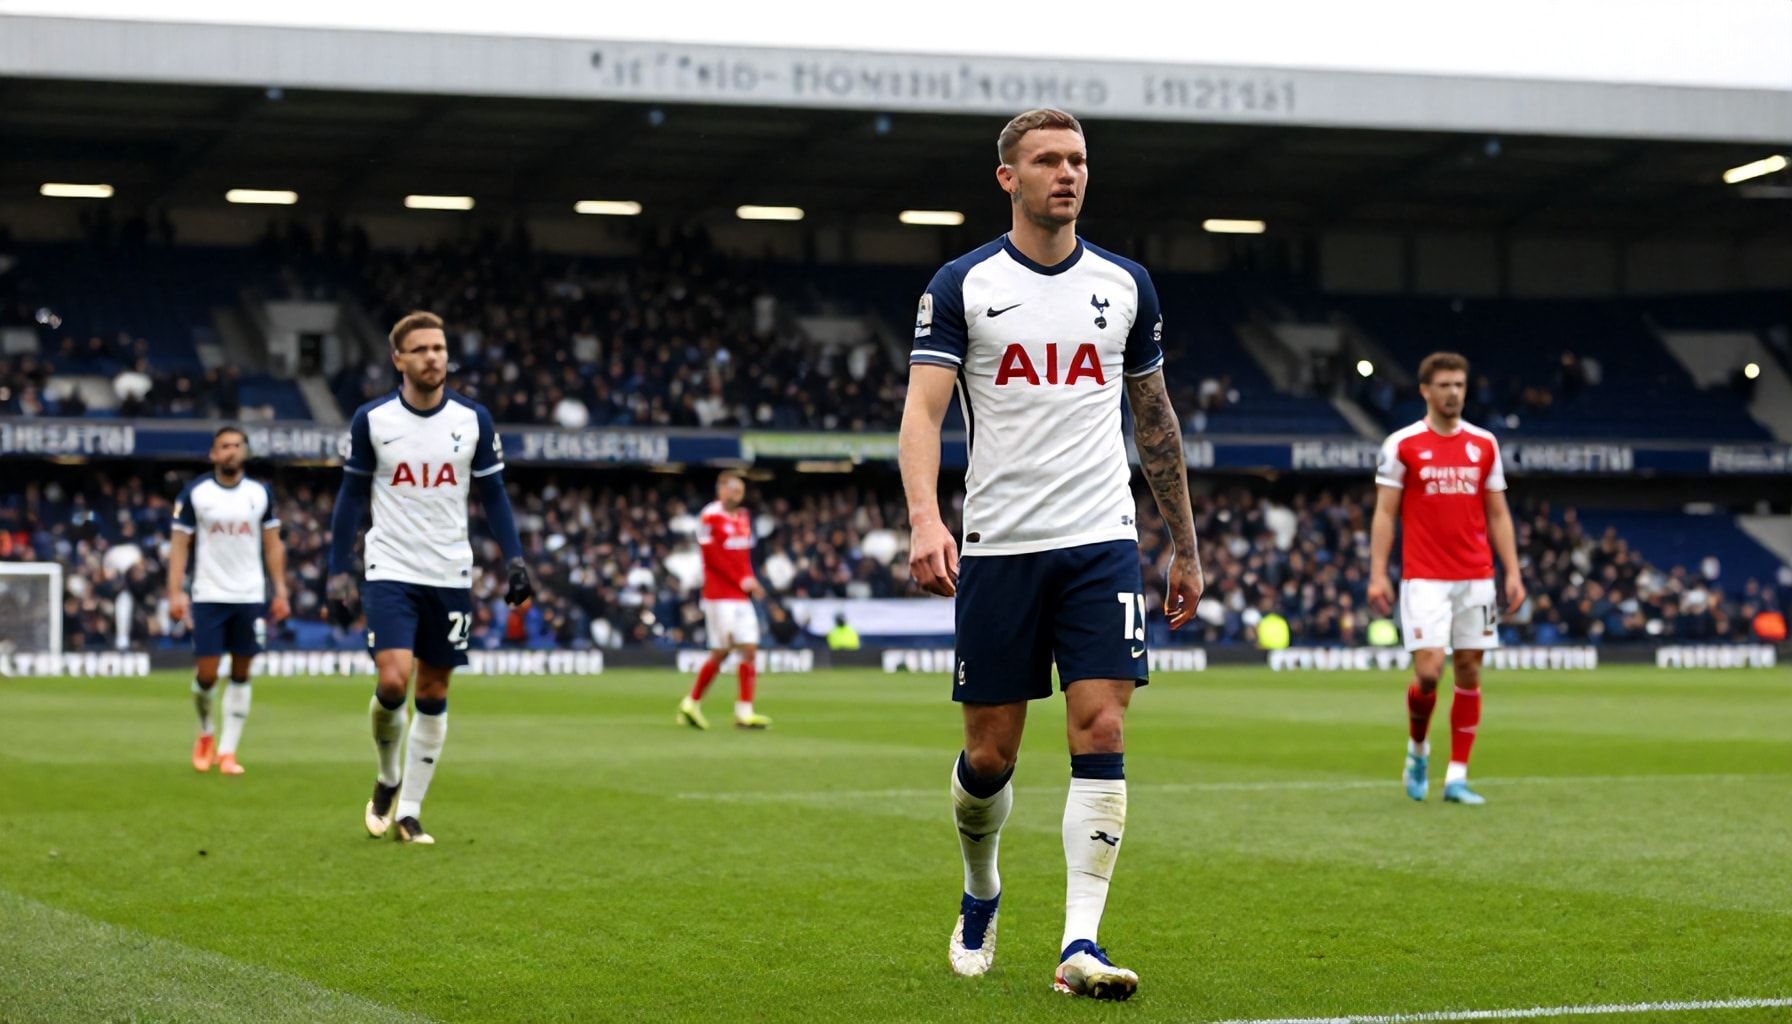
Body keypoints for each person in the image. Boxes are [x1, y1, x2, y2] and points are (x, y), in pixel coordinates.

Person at [899, 108, 1203, 1000]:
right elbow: (922, 413)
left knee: (1102, 728)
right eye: (1047, 161)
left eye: (1077, 160)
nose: (1067, 174)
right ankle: (980, 888)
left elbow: (1155, 421)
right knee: (990, 756)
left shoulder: (1126, 285)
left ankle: (1081, 944)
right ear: (1009, 177)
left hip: (1101, 541)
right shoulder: (963, 283)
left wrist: (1184, 544)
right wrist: (925, 518)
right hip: (1001, 545)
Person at [326, 311, 533, 845]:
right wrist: (336, 569)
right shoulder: (373, 420)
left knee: (435, 689)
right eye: (420, 349)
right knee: (395, 680)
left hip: (449, 570)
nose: (433, 357)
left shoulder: (473, 419)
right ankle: (387, 777)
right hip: (390, 566)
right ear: (398, 359)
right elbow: (351, 497)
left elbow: (494, 495)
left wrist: (514, 559)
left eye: (439, 348)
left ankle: (411, 812)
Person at [1369, 351, 1526, 806]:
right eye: (1444, 385)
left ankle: (1457, 775)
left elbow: (1498, 513)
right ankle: (1418, 750)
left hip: (1476, 576)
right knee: (1429, 672)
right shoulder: (1402, 444)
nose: (1453, 392)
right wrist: (1377, 573)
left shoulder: (1484, 444)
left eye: (1459, 384)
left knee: (1470, 670)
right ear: (1425, 390)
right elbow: (1385, 513)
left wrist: (1513, 571)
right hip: (1424, 578)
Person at [166, 427, 289, 775]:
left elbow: (273, 544)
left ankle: (228, 751)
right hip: (209, 593)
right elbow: (179, 544)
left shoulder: (259, 494)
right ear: (214, 454)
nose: (232, 451)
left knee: (241, 672)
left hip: (249, 594)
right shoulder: (197, 493)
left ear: (244, 452)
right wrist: (174, 591)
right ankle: (206, 731)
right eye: (225, 446)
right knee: (207, 674)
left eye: (237, 445)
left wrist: (281, 590)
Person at [677, 472, 772, 730]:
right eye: (733, 490)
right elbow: (712, 558)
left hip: (740, 595)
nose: (737, 495)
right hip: (719, 595)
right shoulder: (710, 516)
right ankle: (691, 702)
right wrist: (742, 580)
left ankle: (744, 712)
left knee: (750, 649)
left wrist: (750, 579)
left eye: (740, 490)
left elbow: (743, 557)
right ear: (721, 491)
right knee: (722, 651)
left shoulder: (744, 517)